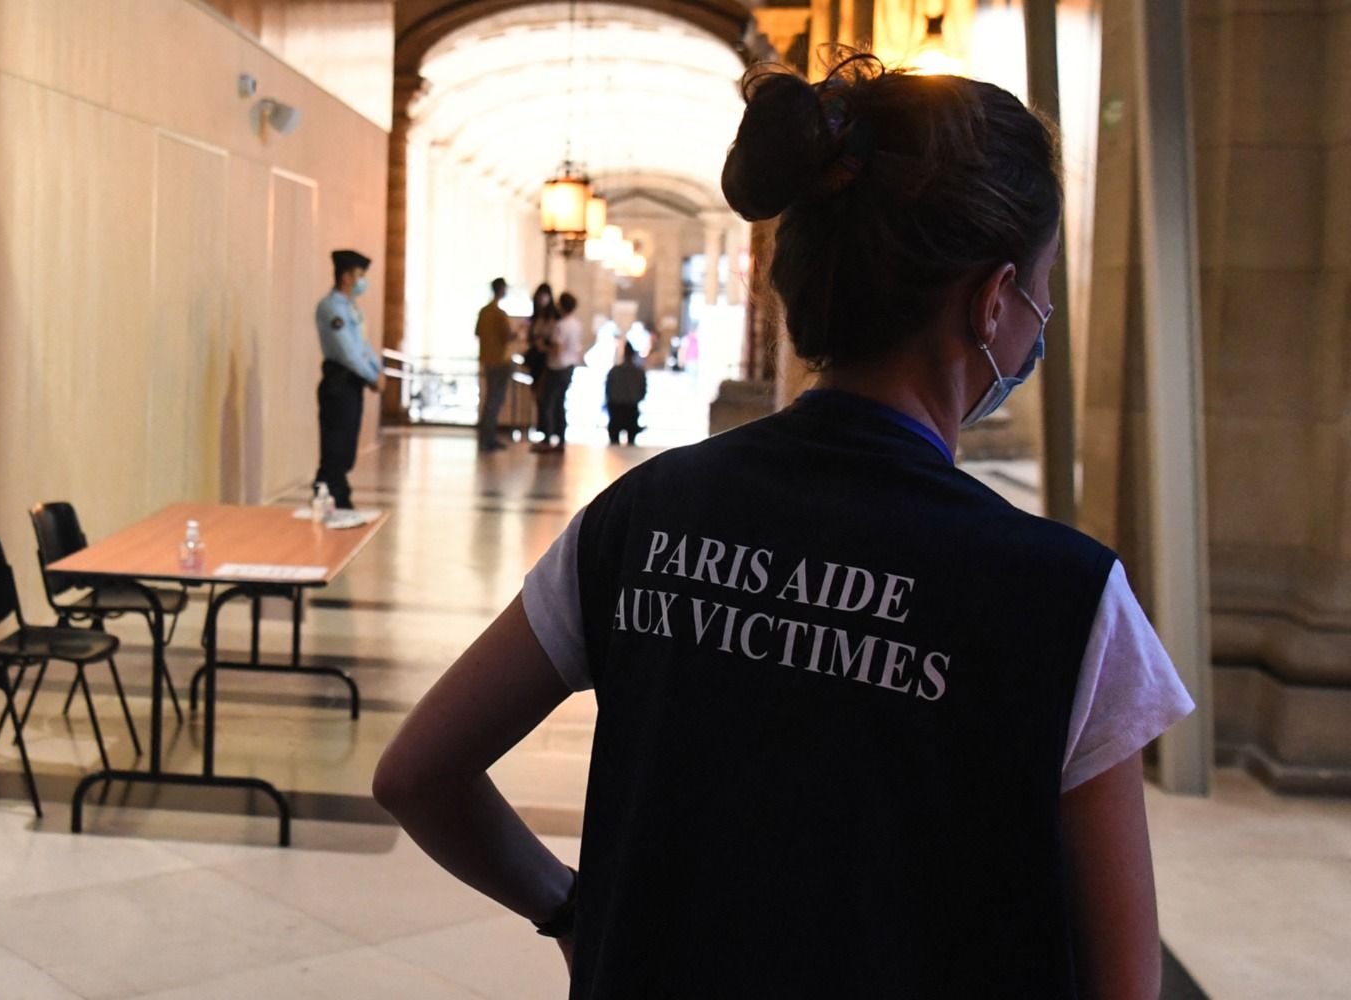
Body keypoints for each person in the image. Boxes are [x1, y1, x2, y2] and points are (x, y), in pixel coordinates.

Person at [374, 55, 1193, 1000]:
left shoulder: (641, 518)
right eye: (1041, 289)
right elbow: (1124, 985)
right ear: (994, 299)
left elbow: (417, 774)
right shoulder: (1066, 599)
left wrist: (566, 908)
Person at [313, 248, 381, 510]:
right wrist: (371, 374)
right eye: (359, 275)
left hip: (353, 382)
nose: (362, 281)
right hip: (338, 381)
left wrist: (376, 371)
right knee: (336, 444)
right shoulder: (332, 308)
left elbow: (362, 345)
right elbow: (347, 352)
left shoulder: (351, 308)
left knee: (347, 444)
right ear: (346, 277)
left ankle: (334, 492)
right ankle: (332, 494)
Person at [533, 292, 583, 453]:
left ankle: (547, 439)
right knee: (560, 403)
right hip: (569, 367)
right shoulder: (576, 324)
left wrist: (542, 347)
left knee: (547, 403)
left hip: (556, 368)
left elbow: (557, 349)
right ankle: (560, 439)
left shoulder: (560, 326)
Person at [476, 278, 514, 452]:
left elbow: (478, 333)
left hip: (487, 359)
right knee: (494, 400)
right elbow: (507, 336)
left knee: (490, 399)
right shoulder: (499, 314)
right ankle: (488, 437)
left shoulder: (484, 312)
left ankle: (487, 436)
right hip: (499, 361)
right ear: (501, 289)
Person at [523, 284, 557, 440]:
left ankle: (548, 433)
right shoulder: (535, 318)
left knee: (546, 398)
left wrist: (543, 346)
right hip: (536, 361)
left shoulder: (553, 319)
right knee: (539, 397)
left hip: (546, 362)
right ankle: (544, 431)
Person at [604, 345, 646, 445]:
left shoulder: (615, 371)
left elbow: (609, 390)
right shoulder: (638, 372)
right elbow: (642, 391)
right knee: (629, 439)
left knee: (615, 439)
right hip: (629, 408)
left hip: (618, 408)